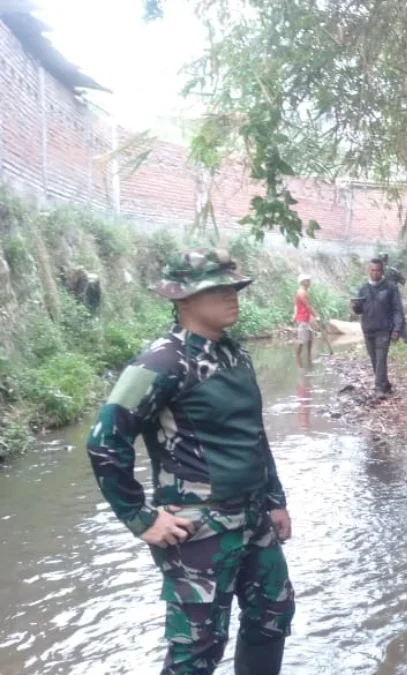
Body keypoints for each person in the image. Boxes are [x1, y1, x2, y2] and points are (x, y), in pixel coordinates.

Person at [85, 248, 294, 675]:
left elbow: (253, 434)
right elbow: (105, 442)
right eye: (217, 288)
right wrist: (141, 519)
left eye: (233, 286)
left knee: (272, 616)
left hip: (255, 518)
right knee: (196, 650)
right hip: (199, 530)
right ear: (182, 299)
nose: (231, 295)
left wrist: (275, 499)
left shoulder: (234, 354)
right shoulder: (162, 362)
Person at [351, 258, 406, 397]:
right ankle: (384, 384)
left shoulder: (390, 287)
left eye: (378, 270)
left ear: (382, 271)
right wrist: (355, 307)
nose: (375, 273)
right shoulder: (363, 288)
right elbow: (359, 311)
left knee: (381, 359)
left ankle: (379, 389)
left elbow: (397, 309)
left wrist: (397, 329)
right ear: (368, 271)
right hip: (368, 329)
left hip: (384, 329)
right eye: (372, 270)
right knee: (374, 360)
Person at [293, 273, 319, 368]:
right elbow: (308, 306)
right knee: (301, 340)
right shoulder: (301, 293)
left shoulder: (303, 292)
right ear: (303, 282)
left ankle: (308, 359)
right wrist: (316, 316)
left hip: (306, 318)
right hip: (302, 319)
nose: (309, 282)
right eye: (308, 281)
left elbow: (297, 305)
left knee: (310, 339)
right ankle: (298, 360)